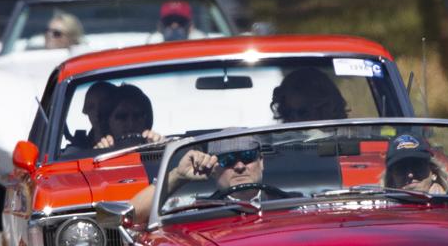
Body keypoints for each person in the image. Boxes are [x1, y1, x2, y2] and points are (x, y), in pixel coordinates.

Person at [129, 135, 267, 221]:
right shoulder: (194, 210)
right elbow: (131, 215)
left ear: (261, 162)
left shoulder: (286, 203)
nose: (239, 166)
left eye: (247, 156)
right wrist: (178, 175)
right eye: (227, 159)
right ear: (213, 168)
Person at [94, 83, 163, 149]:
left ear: (147, 120)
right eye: (122, 117)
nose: (131, 124)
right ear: (107, 122)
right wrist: (99, 152)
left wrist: (160, 148)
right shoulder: (99, 157)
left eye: (137, 116)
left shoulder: (157, 147)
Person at [271, 67, 349, 123]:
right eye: (288, 113)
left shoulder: (354, 139)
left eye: (303, 112)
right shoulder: (279, 143)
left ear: (327, 108)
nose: (295, 121)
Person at [382, 133, 448, 194]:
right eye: (401, 168)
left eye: (417, 165)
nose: (410, 174)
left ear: (434, 172)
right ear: (391, 179)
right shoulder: (382, 206)